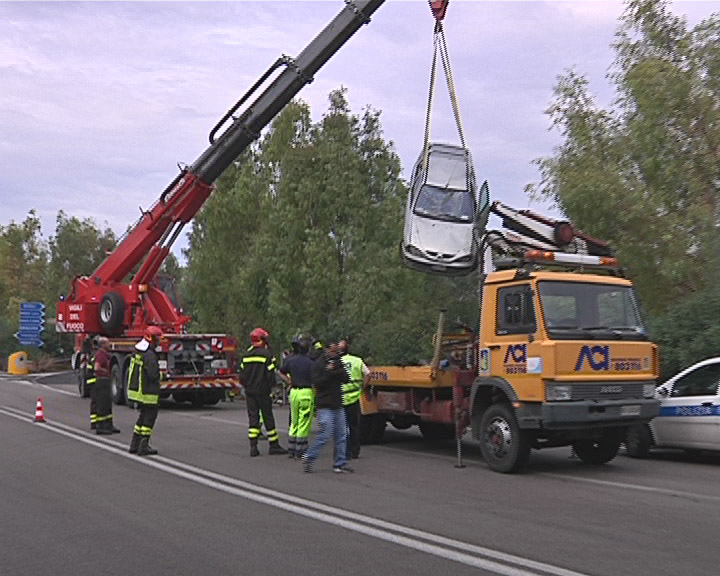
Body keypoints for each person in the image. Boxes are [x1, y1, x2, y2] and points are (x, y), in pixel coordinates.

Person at [303, 342, 352, 473]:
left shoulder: (338, 362)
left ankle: (339, 463)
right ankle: (309, 457)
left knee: (342, 434)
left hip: (337, 403)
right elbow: (317, 382)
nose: (335, 354)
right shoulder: (318, 364)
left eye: (337, 352)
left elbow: (346, 378)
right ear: (326, 350)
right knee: (326, 433)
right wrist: (328, 372)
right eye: (333, 351)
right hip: (324, 405)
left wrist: (337, 371)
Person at [240, 327, 287, 457]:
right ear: (261, 340)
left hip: (250, 392)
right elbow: (270, 374)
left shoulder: (246, 355)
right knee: (268, 417)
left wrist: (247, 386)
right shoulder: (266, 354)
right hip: (263, 391)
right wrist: (271, 387)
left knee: (253, 418)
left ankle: (253, 447)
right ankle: (274, 445)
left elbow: (242, 376)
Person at [277, 333, 315, 459]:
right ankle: (301, 450)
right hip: (306, 393)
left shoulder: (291, 360)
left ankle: (291, 448)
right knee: (304, 422)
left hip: (293, 392)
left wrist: (289, 381)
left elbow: (280, 372)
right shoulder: (310, 363)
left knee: (294, 421)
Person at [127, 326, 163, 456]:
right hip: (148, 392)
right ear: (151, 338)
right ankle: (143, 446)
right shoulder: (149, 355)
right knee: (149, 419)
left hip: (139, 391)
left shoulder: (139, 351)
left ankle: (134, 444)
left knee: (142, 418)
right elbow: (153, 374)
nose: (159, 341)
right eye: (157, 339)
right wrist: (162, 376)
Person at [338, 338, 369, 460]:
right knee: (354, 426)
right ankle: (354, 451)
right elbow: (368, 374)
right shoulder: (357, 360)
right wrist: (362, 387)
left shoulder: (335, 362)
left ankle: (344, 451)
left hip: (340, 399)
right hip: (354, 398)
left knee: (342, 427)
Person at [94, 337, 120, 435]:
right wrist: (107, 372)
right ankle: (100, 427)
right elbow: (97, 367)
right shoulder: (100, 355)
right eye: (108, 343)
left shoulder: (105, 354)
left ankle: (109, 425)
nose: (109, 344)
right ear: (103, 344)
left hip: (105, 381)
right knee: (102, 404)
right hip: (102, 381)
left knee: (108, 405)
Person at [85, 337, 98, 430]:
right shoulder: (95, 355)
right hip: (95, 382)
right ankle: (95, 422)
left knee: (94, 402)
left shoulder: (92, 354)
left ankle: (94, 422)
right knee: (96, 402)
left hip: (92, 381)